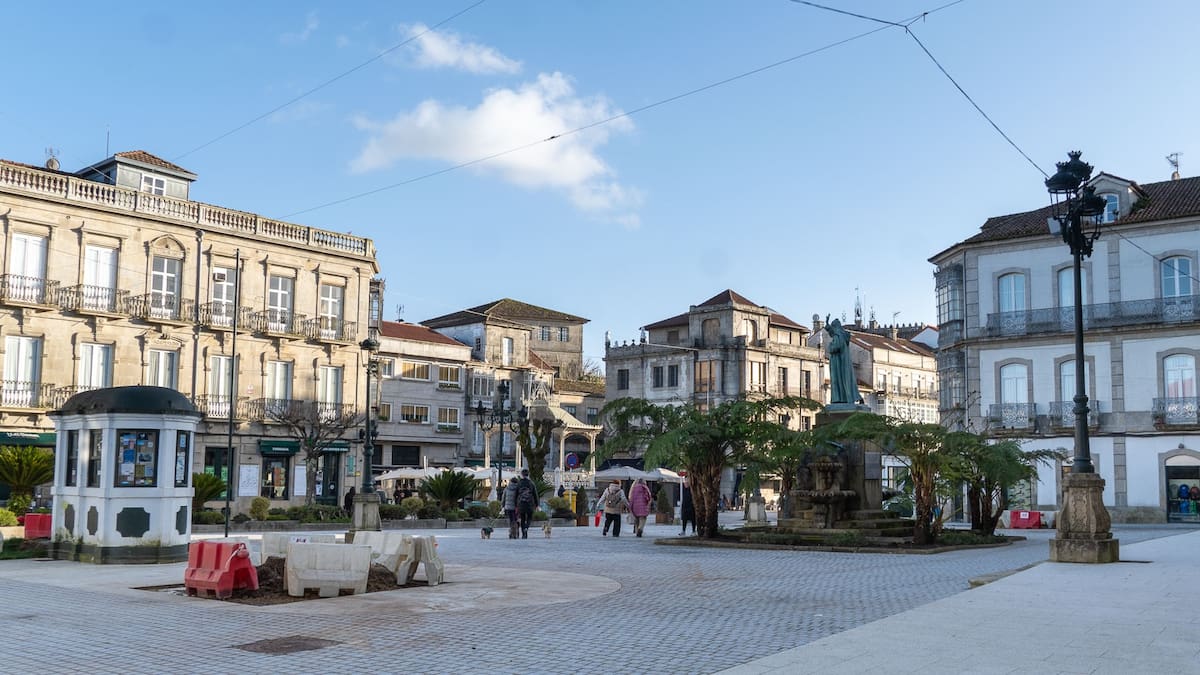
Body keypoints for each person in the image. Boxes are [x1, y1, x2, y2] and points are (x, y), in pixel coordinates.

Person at [824, 315, 861, 405]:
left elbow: (834, 347)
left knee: (839, 380)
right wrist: (827, 325)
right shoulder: (842, 335)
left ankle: (840, 398)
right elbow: (832, 332)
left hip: (838, 363)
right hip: (842, 362)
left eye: (832, 327)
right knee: (843, 381)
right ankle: (841, 398)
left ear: (835, 327)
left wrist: (830, 346)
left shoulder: (838, 336)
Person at [514, 469, 539, 539]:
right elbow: (535, 494)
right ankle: (526, 528)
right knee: (529, 517)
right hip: (530, 503)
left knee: (522, 518)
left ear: (522, 475)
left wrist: (515, 504)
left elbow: (516, 495)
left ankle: (524, 534)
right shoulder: (531, 483)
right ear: (528, 474)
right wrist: (537, 504)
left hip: (521, 504)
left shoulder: (519, 483)